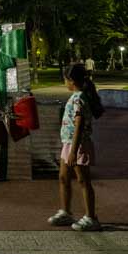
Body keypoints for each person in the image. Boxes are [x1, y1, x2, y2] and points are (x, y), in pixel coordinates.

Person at [47, 63, 102, 231]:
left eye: (65, 80)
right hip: (69, 144)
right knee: (63, 177)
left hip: (77, 144)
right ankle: (66, 211)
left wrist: (73, 151)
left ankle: (91, 217)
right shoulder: (76, 96)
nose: (65, 83)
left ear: (71, 80)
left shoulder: (79, 98)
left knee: (83, 180)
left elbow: (79, 125)